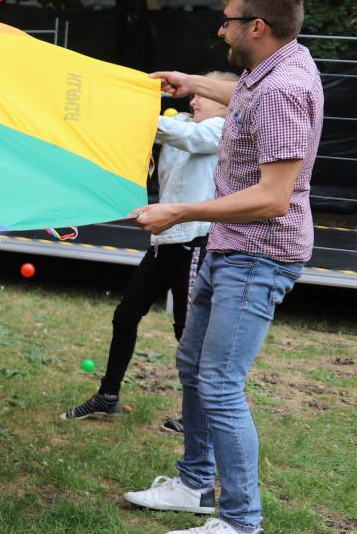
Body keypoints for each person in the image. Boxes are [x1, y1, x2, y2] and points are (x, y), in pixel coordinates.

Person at [124, 0, 324, 534]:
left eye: (228, 19)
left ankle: (242, 526)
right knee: (194, 363)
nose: (221, 28)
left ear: (256, 27)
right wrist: (190, 81)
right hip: (228, 245)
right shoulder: (275, 69)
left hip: (258, 253)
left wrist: (181, 209)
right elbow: (250, 97)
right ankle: (194, 486)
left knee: (219, 382)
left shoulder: (285, 88)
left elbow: (273, 197)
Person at [62, 72, 236, 430]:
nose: (194, 99)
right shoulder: (183, 122)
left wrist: (137, 112)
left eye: (204, 94)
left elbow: (186, 137)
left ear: (224, 102)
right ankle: (107, 396)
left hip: (193, 245)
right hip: (163, 244)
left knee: (188, 333)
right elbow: (154, 136)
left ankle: (196, 418)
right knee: (126, 315)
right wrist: (132, 100)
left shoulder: (222, 132)